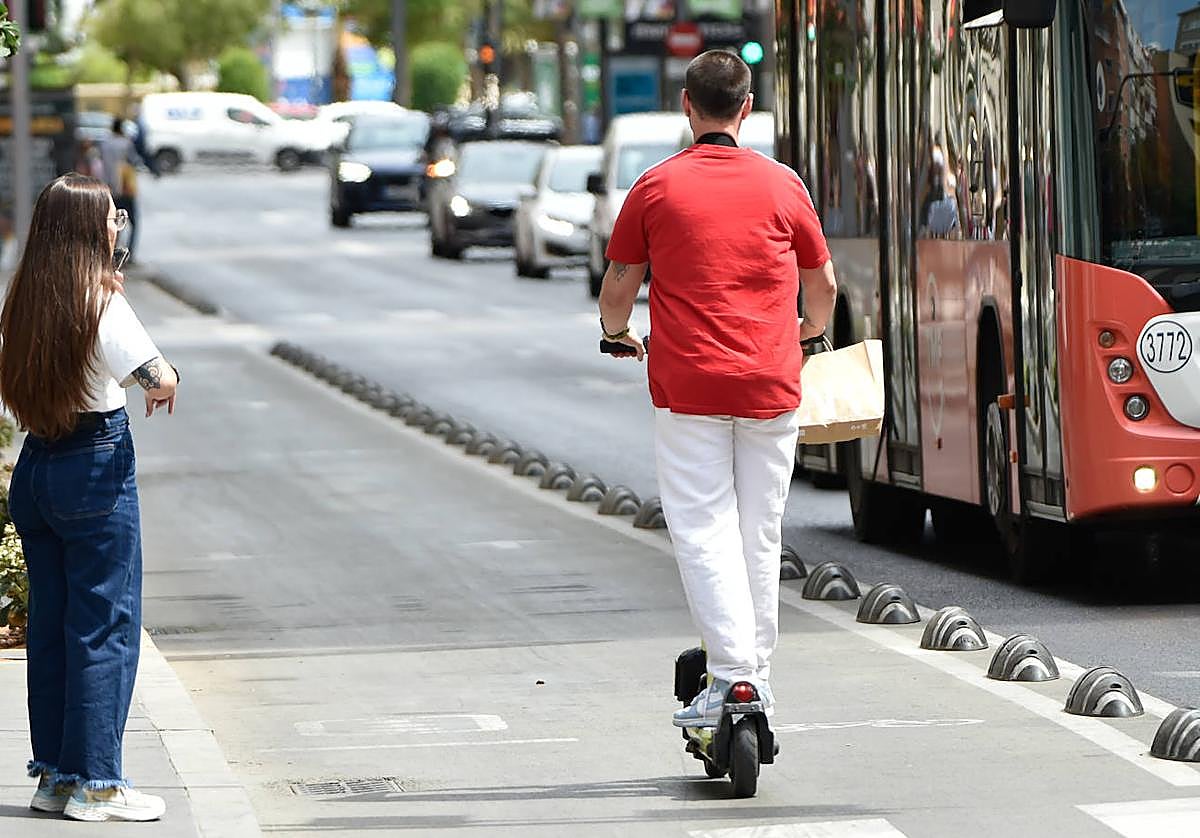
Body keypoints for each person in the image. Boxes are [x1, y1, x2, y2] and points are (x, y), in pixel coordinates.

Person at [597, 50, 837, 727]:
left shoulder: (655, 187)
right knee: (759, 534)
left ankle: (733, 677)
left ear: (686, 106)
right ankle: (753, 677)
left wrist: (616, 332)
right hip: (772, 384)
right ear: (747, 107)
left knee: (704, 530)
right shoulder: (783, 185)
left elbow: (618, 287)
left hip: (689, 388)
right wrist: (808, 329)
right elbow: (822, 286)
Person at [0, 173, 179, 821]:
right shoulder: (100, 301)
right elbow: (156, 378)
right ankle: (99, 784)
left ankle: (54, 778)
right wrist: (163, 374)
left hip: (37, 467)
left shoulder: (23, 299)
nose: (116, 226)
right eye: (110, 218)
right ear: (85, 227)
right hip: (94, 467)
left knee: (50, 627)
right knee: (105, 625)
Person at [100, 117, 154, 263]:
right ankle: (128, 255)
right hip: (125, 188)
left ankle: (112, 252)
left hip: (110, 189)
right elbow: (135, 161)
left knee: (113, 221)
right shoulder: (126, 143)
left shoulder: (105, 144)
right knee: (133, 223)